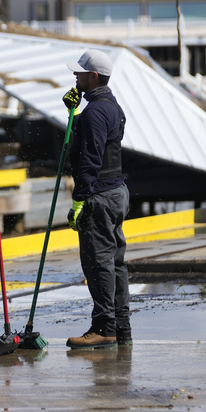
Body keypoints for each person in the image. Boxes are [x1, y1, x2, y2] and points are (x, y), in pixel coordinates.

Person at [62, 49, 131, 349]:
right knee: (115, 262)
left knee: (98, 262)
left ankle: (104, 327)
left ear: (93, 76)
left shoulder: (94, 112)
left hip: (99, 195)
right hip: (117, 192)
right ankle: (121, 326)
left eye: (79, 73)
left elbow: (90, 158)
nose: (74, 76)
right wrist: (73, 114)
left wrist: (79, 199)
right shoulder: (111, 106)